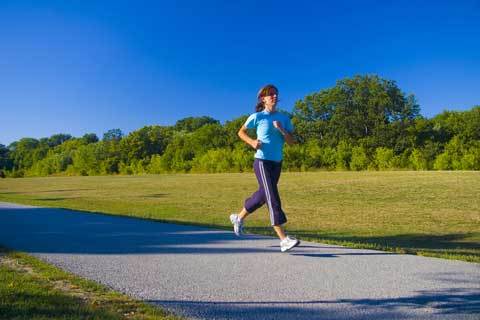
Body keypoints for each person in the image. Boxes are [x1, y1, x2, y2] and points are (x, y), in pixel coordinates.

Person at [230, 84, 300, 252]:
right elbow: (241, 132)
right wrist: (252, 142)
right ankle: (283, 239)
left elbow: (291, 142)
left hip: (277, 163)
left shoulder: (284, 118)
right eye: (271, 95)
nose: (274, 97)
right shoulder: (257, 117)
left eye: (276, 94)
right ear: (263, 99)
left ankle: (238, 218)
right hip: (261, 161)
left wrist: (282, 130)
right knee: (272, 196)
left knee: (263, 196)